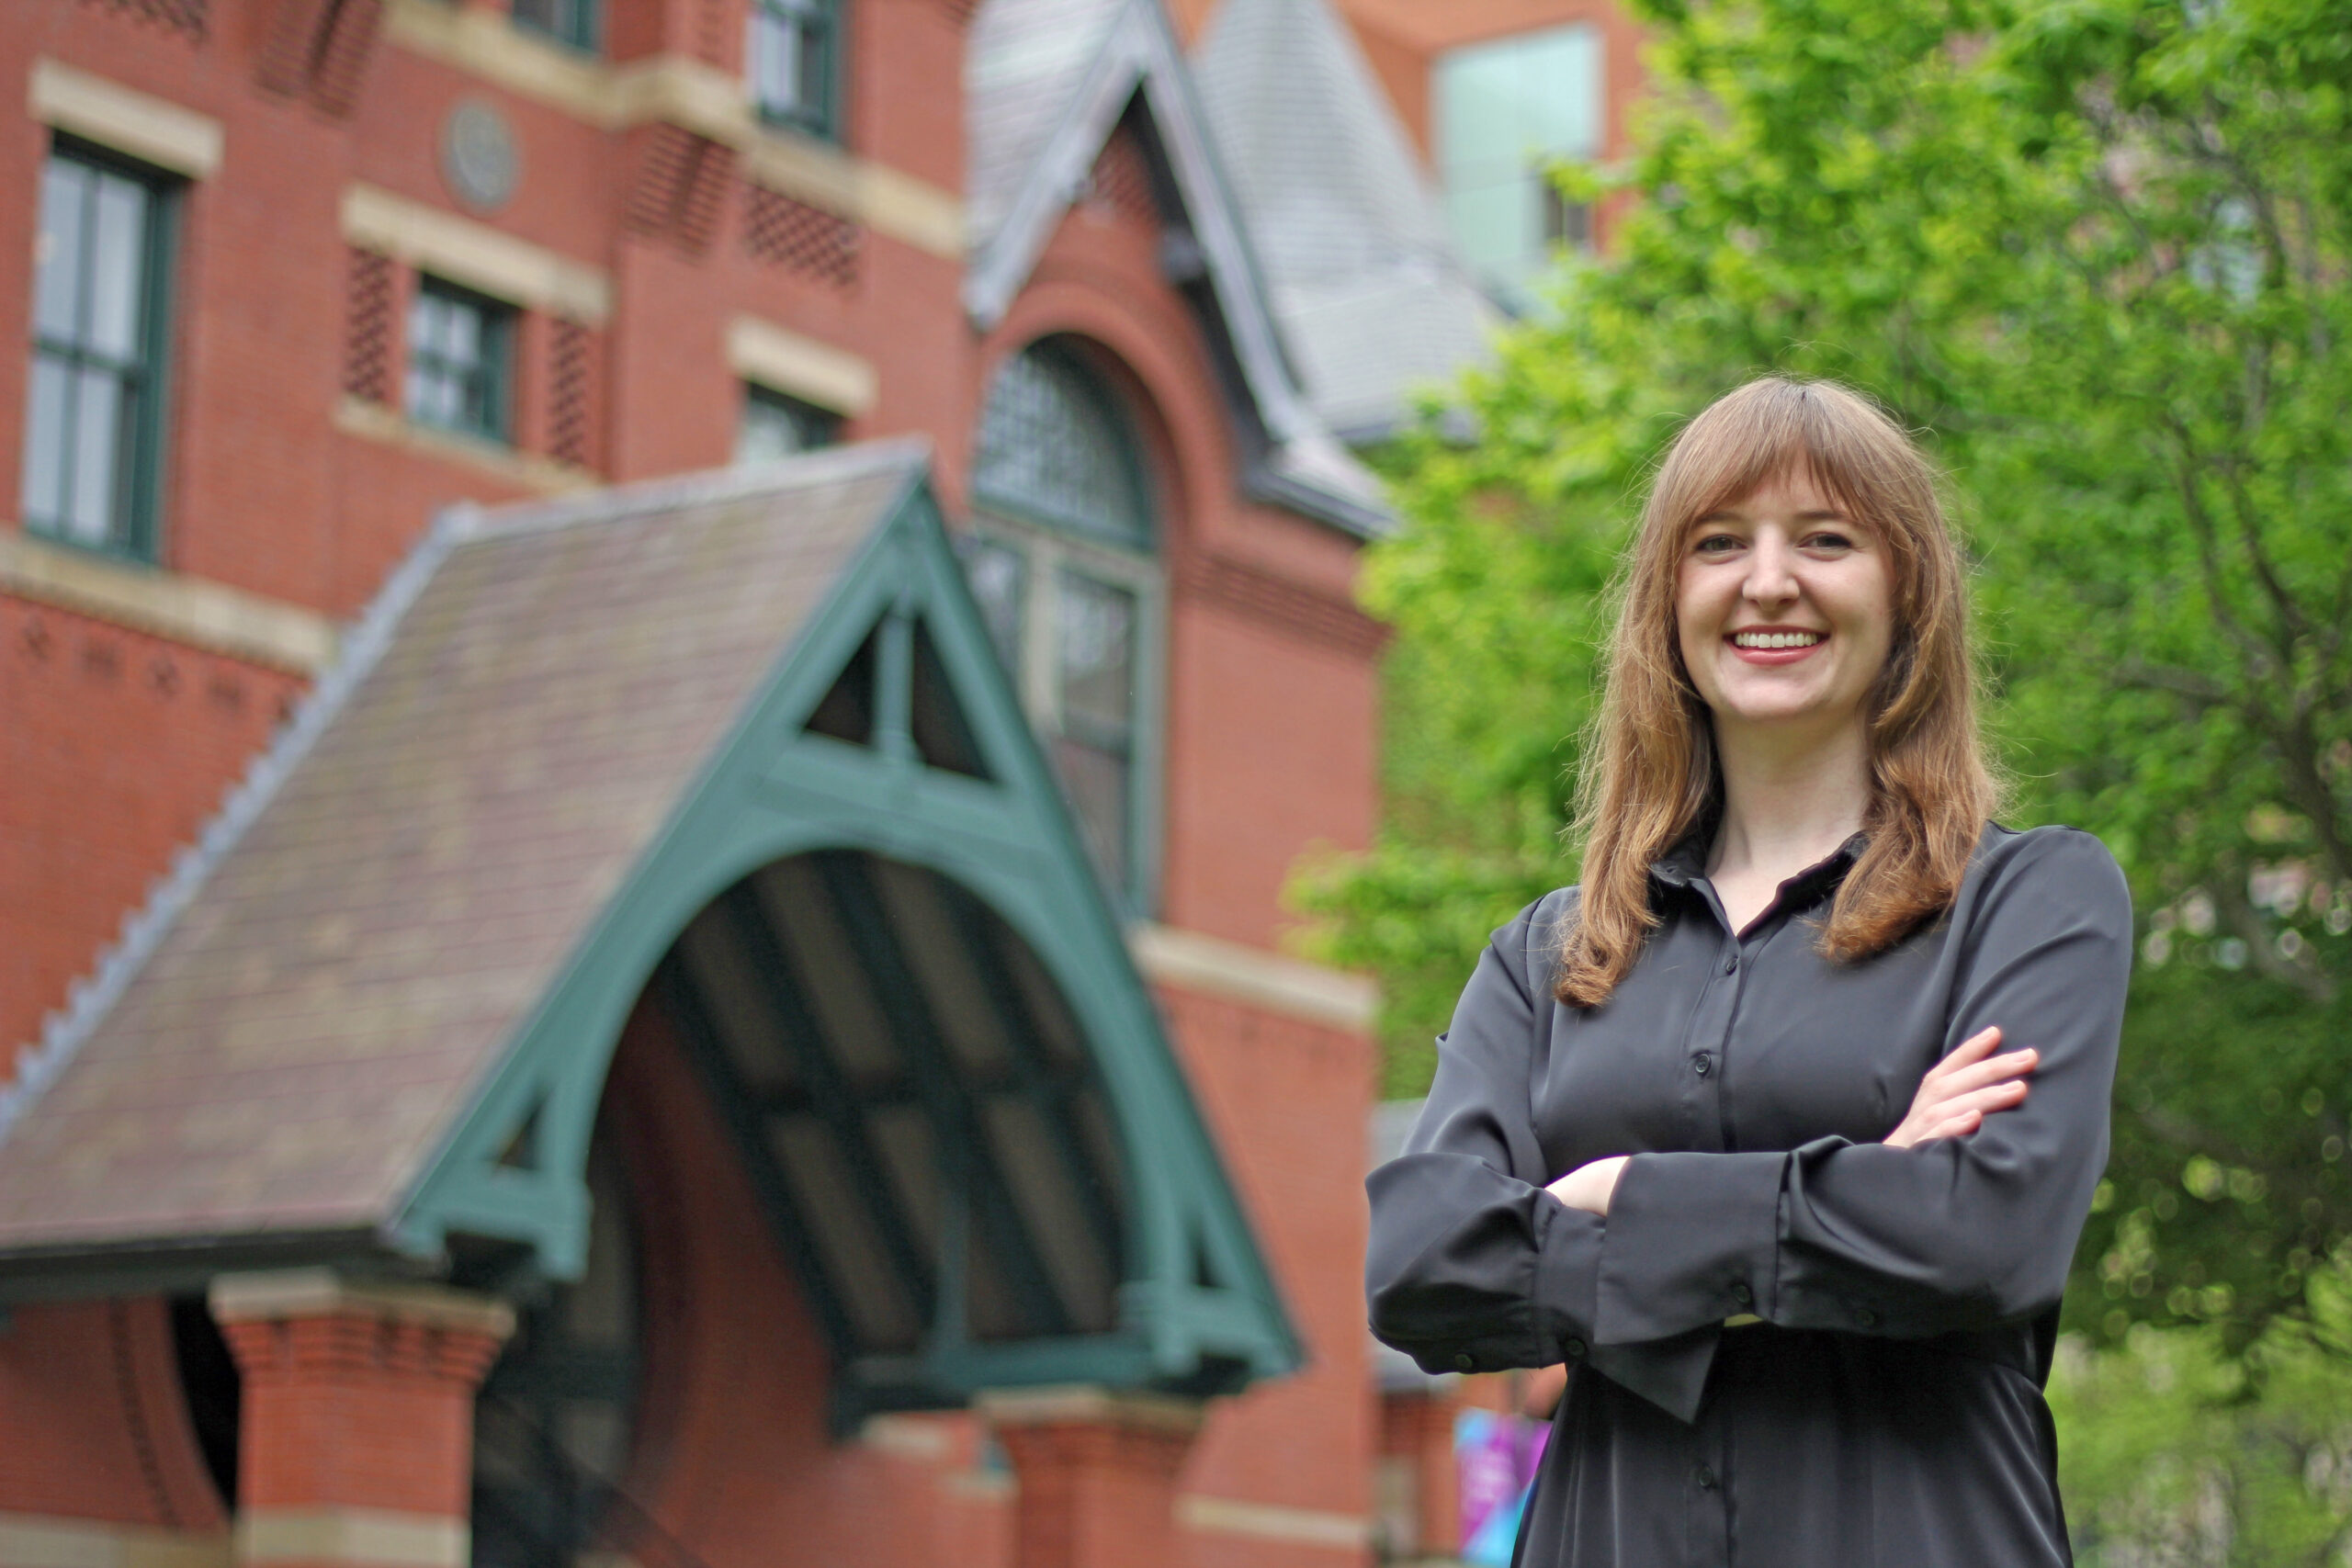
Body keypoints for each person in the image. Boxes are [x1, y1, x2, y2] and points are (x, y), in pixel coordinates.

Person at [1364, 376, 2132, 1568]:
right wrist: (1858, 1192)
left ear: (1907, 594)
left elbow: (1984, 1243)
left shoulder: (2029, 904)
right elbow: (1425, 1276)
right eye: (1721, 544)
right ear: (1668, 602)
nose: (1769, 581)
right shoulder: (1548, 957)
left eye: (1826, 540)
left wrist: (1610, 1194)